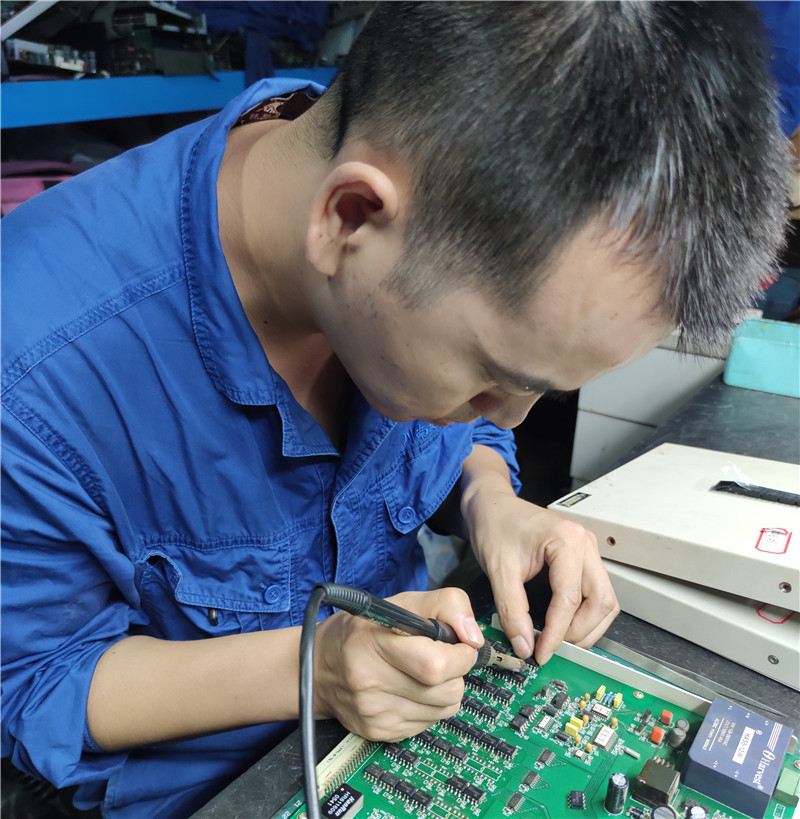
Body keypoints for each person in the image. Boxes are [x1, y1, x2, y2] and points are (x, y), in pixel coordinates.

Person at [1, 3, 787, 817]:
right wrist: (317, 666)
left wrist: (490, 498)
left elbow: (470, 433)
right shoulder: (31, 367)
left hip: (417, 726)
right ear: (350, 217)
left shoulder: (415, 205)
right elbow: (30, 683)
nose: (511, 419)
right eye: (494, 374)